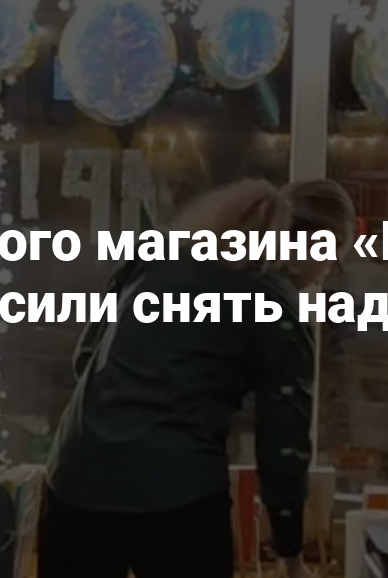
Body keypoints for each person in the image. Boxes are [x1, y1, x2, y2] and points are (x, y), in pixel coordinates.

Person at [38, 178, 357, 578]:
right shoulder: (281, 310)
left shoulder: (157, 253)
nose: (324, 275)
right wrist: (290, 553)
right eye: (334, 262)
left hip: (75, 476)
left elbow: (85, 358)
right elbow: (283, 445)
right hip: (178, 493)